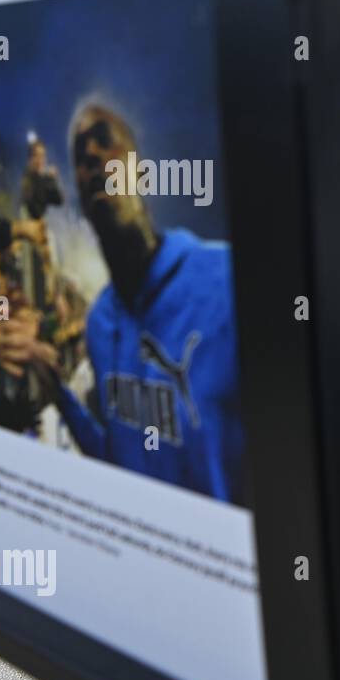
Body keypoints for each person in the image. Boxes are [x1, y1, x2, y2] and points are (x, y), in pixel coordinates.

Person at [48, 103, 244, 503]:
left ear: (140, 172)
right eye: (80, 154)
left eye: (105, 140)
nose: (91, 155)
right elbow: (120, 463)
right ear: (81, 199)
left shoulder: (225, 283)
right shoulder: (100, 324)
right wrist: (57, 393)